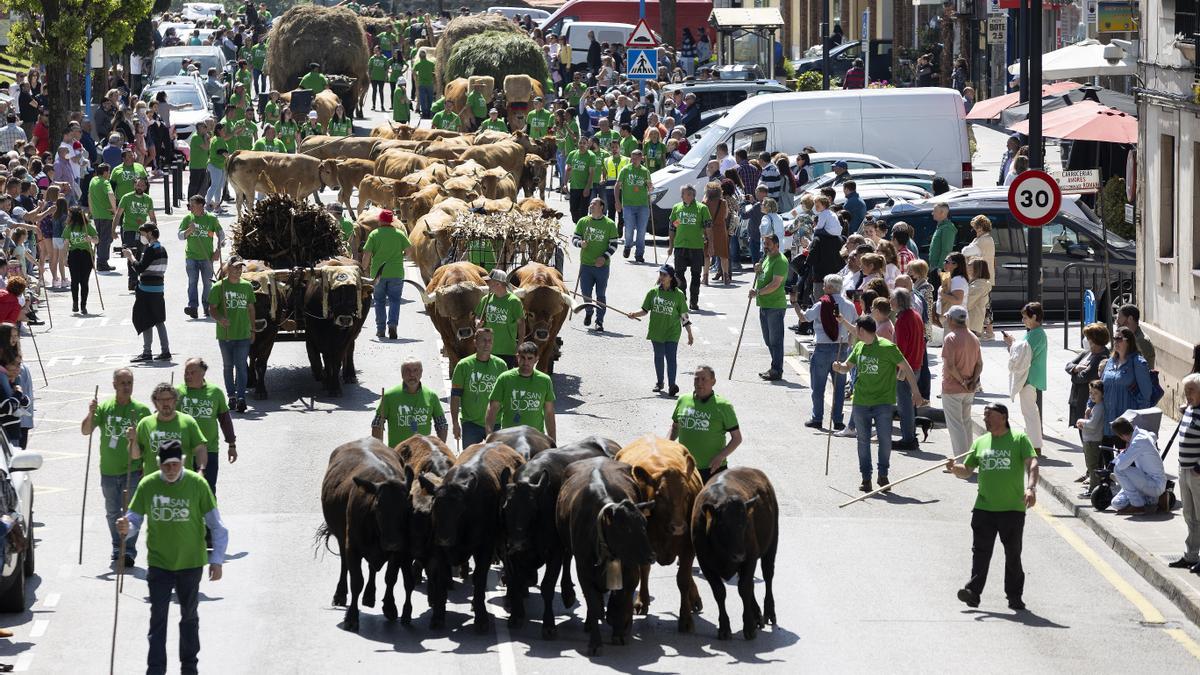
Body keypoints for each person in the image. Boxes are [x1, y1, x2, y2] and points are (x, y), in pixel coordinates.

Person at [117, 439, 227, 675]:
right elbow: (134, 518)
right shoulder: (148, 485)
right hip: (159, 564)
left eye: (175, 465)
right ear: (159, 464)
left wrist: (216, 559)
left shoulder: (198, 484)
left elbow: (217, 526)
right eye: (166, 466)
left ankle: (189, 668)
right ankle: (155, 670)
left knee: (189, 617)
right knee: (158, 619)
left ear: (183, 462)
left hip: (191, 563)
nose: (171, 470)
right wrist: (126, 526)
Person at [946, 402, 1038, 611]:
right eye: (985, 416)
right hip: (984, 508)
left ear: (1003, 417)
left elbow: (1032, 463)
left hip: (1012, 510)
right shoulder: (981, 442)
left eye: (989, 416)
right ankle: (973, 592)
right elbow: (967, 470)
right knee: (980, 552)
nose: (985, 419)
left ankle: (1014, 596)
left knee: (1013, 554)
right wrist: (954, 468)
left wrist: (1031, 488)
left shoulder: (1019, 439)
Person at [834, 316, 926, 492]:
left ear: (861, 331)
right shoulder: (859, 347)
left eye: (856, 330)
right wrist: (840, 367)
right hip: (861, 402)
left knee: (884, 440)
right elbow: (848, 366)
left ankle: (883, 475)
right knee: (862, 441)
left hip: (883, 403)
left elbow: (905, 367)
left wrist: (915, 392)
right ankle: (866, 478)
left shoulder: (887, 347)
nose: (855, 333)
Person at [82, 368, 151, 565]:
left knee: (131, 512)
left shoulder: (141, 410)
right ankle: (116, 546)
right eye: (122, 383)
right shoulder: (105, 408)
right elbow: (86, 431)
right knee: (113, 513)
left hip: (133, 470)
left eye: (129, 382)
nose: (126, 387)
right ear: (114, 385)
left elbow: (147, 446)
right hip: (109, 471)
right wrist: (91, 413)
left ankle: (128, 550)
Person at [801, 274, 857, 430]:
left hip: (823, 348)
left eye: (825, 285)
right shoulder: (849, 305)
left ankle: (817, 418)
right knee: (839, 387)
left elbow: (805, 318)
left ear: (831, 288)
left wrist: (796, 305)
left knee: (818, 387)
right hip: (842, 347)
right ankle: (838, 420)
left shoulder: (821, 305)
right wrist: (849, 343)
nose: (823, 288)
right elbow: (855, 325)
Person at [628, 264, 693, 397]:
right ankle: (659, 382)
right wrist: (634, 314)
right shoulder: (653, 292)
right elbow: (645, 310)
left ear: (671, 277)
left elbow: (684, 316)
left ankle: (672, 385)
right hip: (657, 330)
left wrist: (689, 334)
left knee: (671, 358)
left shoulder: (679, 295)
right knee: (658, 356)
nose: (662, 277)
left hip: (672, 331)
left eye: (665, 275)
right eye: (661, 274)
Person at [669, 365, 740, 483]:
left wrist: (720, 457)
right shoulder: (683, 400)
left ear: (713, 382)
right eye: (696, 379)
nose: (699, 383)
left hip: (714, 470)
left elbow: (737, 438)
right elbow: (675, 427)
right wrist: (666, 445)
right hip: (686, 468)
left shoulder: (723, 406)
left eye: (704, 379)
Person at [176, 358, 237, 494]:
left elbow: (225, 420)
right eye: (186, 372)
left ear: (203, 373)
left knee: (208, 491)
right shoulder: (178, 392)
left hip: (209, 450)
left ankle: (210, 515)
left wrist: (232, 445)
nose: (188, 376)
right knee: (184, 492)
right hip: (184, 451)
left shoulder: (215, 392)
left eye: (192, 373)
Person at [208, 257, 255, 412]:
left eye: (240, 268)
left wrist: (253, 329)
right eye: (235, 268)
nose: (238, 270)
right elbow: (212, 309)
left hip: (243, 334)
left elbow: (251, 309)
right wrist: (220, 319)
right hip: (225, 335)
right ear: (228, 268)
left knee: (241, 366)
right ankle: (231, 396)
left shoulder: (247, 286)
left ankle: (241, 397)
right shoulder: (219, 287)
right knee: (228, 367)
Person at [486, 341, 556, 440]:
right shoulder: (505, 378)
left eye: (530, 358)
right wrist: (489, 435)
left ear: (536, 359)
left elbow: (549, 413)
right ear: (517, 357)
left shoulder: (545, 380)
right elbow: (493, 408)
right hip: (509, 437)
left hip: (536, 438)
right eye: (522, 358)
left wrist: (552, 441)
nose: (526, 362)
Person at [450, 328, 508, 447]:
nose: (487, 344)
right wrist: (455, 423)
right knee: (469, 462)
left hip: (495, 424)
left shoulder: (501, 365)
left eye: (490, 341)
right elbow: (455, 396)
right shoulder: (463, 365)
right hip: (471, 424)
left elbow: (507, 397)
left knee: (496, 462)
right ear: (475, 342)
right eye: (483, 340)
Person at [360, 209, 411, 340]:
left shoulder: (374, 234)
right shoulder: (399, 234)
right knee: (395, 300)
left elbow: (367, 255)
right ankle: (393, 325)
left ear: (380, 221)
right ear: (391, 221)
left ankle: (380, 329)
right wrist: (399, 256)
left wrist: (363, 268)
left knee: (379, 301)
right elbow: (409, 252)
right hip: (396, 273)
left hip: (378, 274)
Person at [1003, 302, 1047, 456]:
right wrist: (1013, 344)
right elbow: (1022, 352)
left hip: (1030, 377)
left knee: (1030, 412)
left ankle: (1035, 446)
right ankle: (1032, 443)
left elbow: (1024, 354)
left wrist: (1012, 343)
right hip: (1029, 376)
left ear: (1034, 317)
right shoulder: (1033, 332)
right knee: (1029, 411)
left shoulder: (1036, 333)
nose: (1023, 320)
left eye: (1025, 317)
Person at [373, 357, 448, 445]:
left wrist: (440, 448)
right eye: (407, 371)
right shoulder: (389, 396)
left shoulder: (431, 396)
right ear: (402, 373)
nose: (412, 375)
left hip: (422, 454)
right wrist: (379, 449)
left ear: (421, 373)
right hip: (397, 453)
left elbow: (441, 424)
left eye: (415, 370)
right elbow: (377, 424)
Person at [125, 224, 171, 362]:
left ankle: (147, 352)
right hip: (158, 289)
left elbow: (139, 268)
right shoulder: (162, 249)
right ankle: (165, 350)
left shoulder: (151, 249)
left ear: (150, 234)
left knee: (145, 321)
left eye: (142, 234)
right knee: (159, 320)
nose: (141, 237)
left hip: (146, 289)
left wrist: (130, 257)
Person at [1168, 374, 1200, 573]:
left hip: (1196, 473)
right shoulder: (1189, 410)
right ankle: (1191, 555)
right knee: (1189, 515)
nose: (1187, 394)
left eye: (1191, 390)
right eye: (1185, 390)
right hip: (1184, 469)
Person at [941, 305, 982, 459]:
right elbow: (980, 364)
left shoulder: (951, 338)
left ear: (951, 319)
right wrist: (973, 381)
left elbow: (950, 366)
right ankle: (969, 458)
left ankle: (961, 461)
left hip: (953, 387)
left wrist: (963, 381)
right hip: (969, 389)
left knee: (956, 425)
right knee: (966, 422)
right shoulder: (973, 337)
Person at [572, 198, 618, 332]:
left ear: (601, 207)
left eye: (594, 204)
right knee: (586, 293)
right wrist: (580, 243)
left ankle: (599, 321)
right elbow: (575, 238)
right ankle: (589, 311)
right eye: (591, 204)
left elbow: (614, 245)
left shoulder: (609, 224)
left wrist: (604, 257)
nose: (591, 205)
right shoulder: (583, 221)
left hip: (602, 267)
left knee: (600, 294)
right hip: (586, 264)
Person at [1101, 325, 1154, 440]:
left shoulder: (1138, 363)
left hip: (1126, 424)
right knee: (1106, 455)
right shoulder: (1110, 361)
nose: (1115, 342)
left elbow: (1146, 394)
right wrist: (1090, 405)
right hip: (1108, 421)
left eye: (1119, 339)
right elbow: (1101, 386)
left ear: (1129, 342)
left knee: (1125, 456)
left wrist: (1138, 420)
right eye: (1114, 338)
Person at [1109, 416, 1168, 515]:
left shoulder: (1138, 441)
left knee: (1118, 469)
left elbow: (1121, 465)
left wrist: (1124, 452)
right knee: (1116, 503)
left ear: (1121, 436)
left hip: (1154, 483)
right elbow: (1153, 435)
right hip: (1144, 480)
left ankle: (1137, 506)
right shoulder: (1142, 433)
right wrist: (1129, 449)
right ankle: (1153, 500)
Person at [666, 185, 712, 311]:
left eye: (692, 194)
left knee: (696, 275)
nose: (690, 196)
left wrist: (711, 245)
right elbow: (673, 227)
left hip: (696, 247)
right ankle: (683, 299)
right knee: (679, 275)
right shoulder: (677, 208)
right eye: (687, 194)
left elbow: (708, 227)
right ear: (682, 196)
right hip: (680, 246)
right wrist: (671, 245)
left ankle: (694, 301)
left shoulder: (702, 208)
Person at [178, 195, 223, 320]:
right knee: (192, 282)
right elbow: (180, 236)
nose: (190, 208)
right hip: (191, 256)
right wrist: (189, 231)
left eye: (192, 205)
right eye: (189, 205)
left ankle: (207, 306)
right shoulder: (188, 219)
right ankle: (193, 307)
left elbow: (221, 235)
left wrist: (218, 251)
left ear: (201, 205)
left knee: (207, 284)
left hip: (207, 257)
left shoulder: (211, 219)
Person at [751, 233, 788, 381]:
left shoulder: (780, 261)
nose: (765, 246)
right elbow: (763, 276)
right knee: (768, 340)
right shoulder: (766, 258)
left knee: (776, 341)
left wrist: (758, 292)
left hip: (775, 306)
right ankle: (774, 366)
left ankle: (776, 370)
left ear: (776, 244)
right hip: (765, 305)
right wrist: (758, 270)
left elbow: (775, 284)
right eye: (764, 243)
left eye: (768, 244)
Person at [1066, 323, 1111, 441]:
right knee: (1081, 430)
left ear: (1096, 340)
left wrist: (1074, 375)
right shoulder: (1087, 353)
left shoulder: (1101, 357)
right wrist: (1075, 369)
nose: (1087, 341)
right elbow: (1068, 365)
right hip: (1078, 398)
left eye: (1089, 339)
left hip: (1087, 400)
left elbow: (1084, 378)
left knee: (1087, 435)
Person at [475, 269, 525, 369]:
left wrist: (520, 345)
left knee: (505, 381)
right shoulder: (486, 299)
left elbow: (521, 324)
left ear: (498, 284)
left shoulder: (513, 301)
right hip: (487, 349)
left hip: (507, 351)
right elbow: (477, 316)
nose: (487, 284)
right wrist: (477, 322)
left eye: (489, 282)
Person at [615, 149, 651, 262]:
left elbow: (649, 186)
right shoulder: (625, 170)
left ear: (641, 159)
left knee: (641, 231)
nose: (633, 160)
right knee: (629, 229)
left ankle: (639, 254)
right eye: (632, 158)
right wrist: (617, 201)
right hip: (628, 205)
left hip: (643, 205)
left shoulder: (645, 171)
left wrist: (650, 187)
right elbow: (617, 186)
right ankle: (627, 245)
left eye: (636, 158)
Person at [63, 206, 98, 315]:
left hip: (86, 255)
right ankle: (75, 303)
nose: (68, 217)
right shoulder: (69, 228)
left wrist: (91, 239)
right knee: (75, 280)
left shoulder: (87, 226)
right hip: (74, 254)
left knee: (84, 281)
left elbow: (97, 240)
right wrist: (64, 258)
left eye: (70, 215)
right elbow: (66, 244)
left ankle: (83, 305)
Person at [1075, 380, 1107, 497]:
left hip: (1092, 441)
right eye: (1091, 393)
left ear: (1102, 394)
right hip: (1090, 439)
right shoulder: (1096, 407)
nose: (1092, 396)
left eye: (1096, 393)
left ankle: (1093, 489)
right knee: (1092, 465)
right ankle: (1094, 487)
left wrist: (1081, 421)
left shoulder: (1099, 408)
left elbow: (1093, 425)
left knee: (1092, 466)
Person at [87, 163, 118, 271]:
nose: (109, 174)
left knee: (99, 238)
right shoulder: (105, 182)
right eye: (108, 172)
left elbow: (89, 196)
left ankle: (99, 260)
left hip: (96, 214)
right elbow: (111, 195)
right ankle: (102, 262)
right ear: (105, 172)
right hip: (106, 214)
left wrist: (91, 210)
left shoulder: (93, 180)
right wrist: (115, 210)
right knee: (106, 239)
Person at [564, 136, 598, 222]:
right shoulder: (572, 154)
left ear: (587, 145)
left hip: (585, 187)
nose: (582, 145)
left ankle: (581, 231)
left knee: (583, 210)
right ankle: (578, 225)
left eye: (584, 143)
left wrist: (587, 187)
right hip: (574, 186)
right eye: (580, 143)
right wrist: (564, 184)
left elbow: (591, 173)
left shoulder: (591, 156)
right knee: (573, 209)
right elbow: (568, 170)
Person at [1116, 304, 1156, 370]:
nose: (1117, 320)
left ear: (1130, 319)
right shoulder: (1128, 337)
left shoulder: (1141, 341)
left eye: (1119, 317)